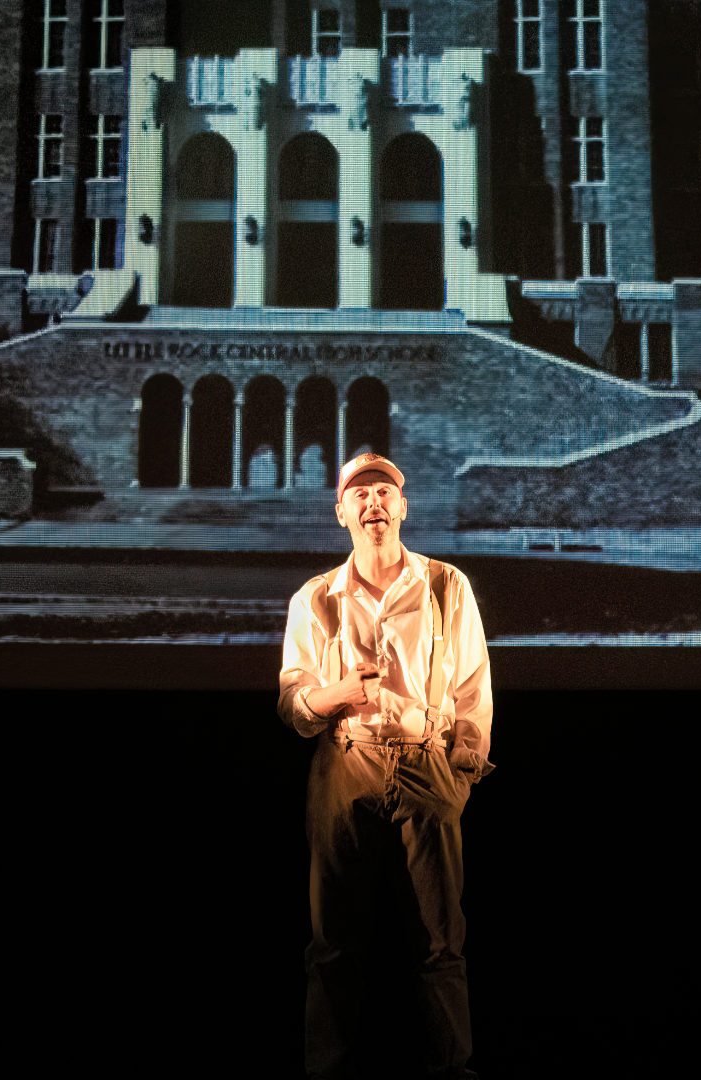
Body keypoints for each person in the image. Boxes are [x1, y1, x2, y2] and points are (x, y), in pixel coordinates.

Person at [278, 454, 494, 1080]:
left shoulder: (445, 585)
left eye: (385, 491)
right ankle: (327, 1070)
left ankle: (451, 1069)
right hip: (346, 762)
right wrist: (338, 693)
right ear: (341, 511)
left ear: (403, 506)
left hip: (427, 763)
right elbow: (294, 703)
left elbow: (473, 685)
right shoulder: (315, 597)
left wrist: (463, 766)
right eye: (359, 493)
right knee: (334, 942)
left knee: (439, 940)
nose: (373, 502)